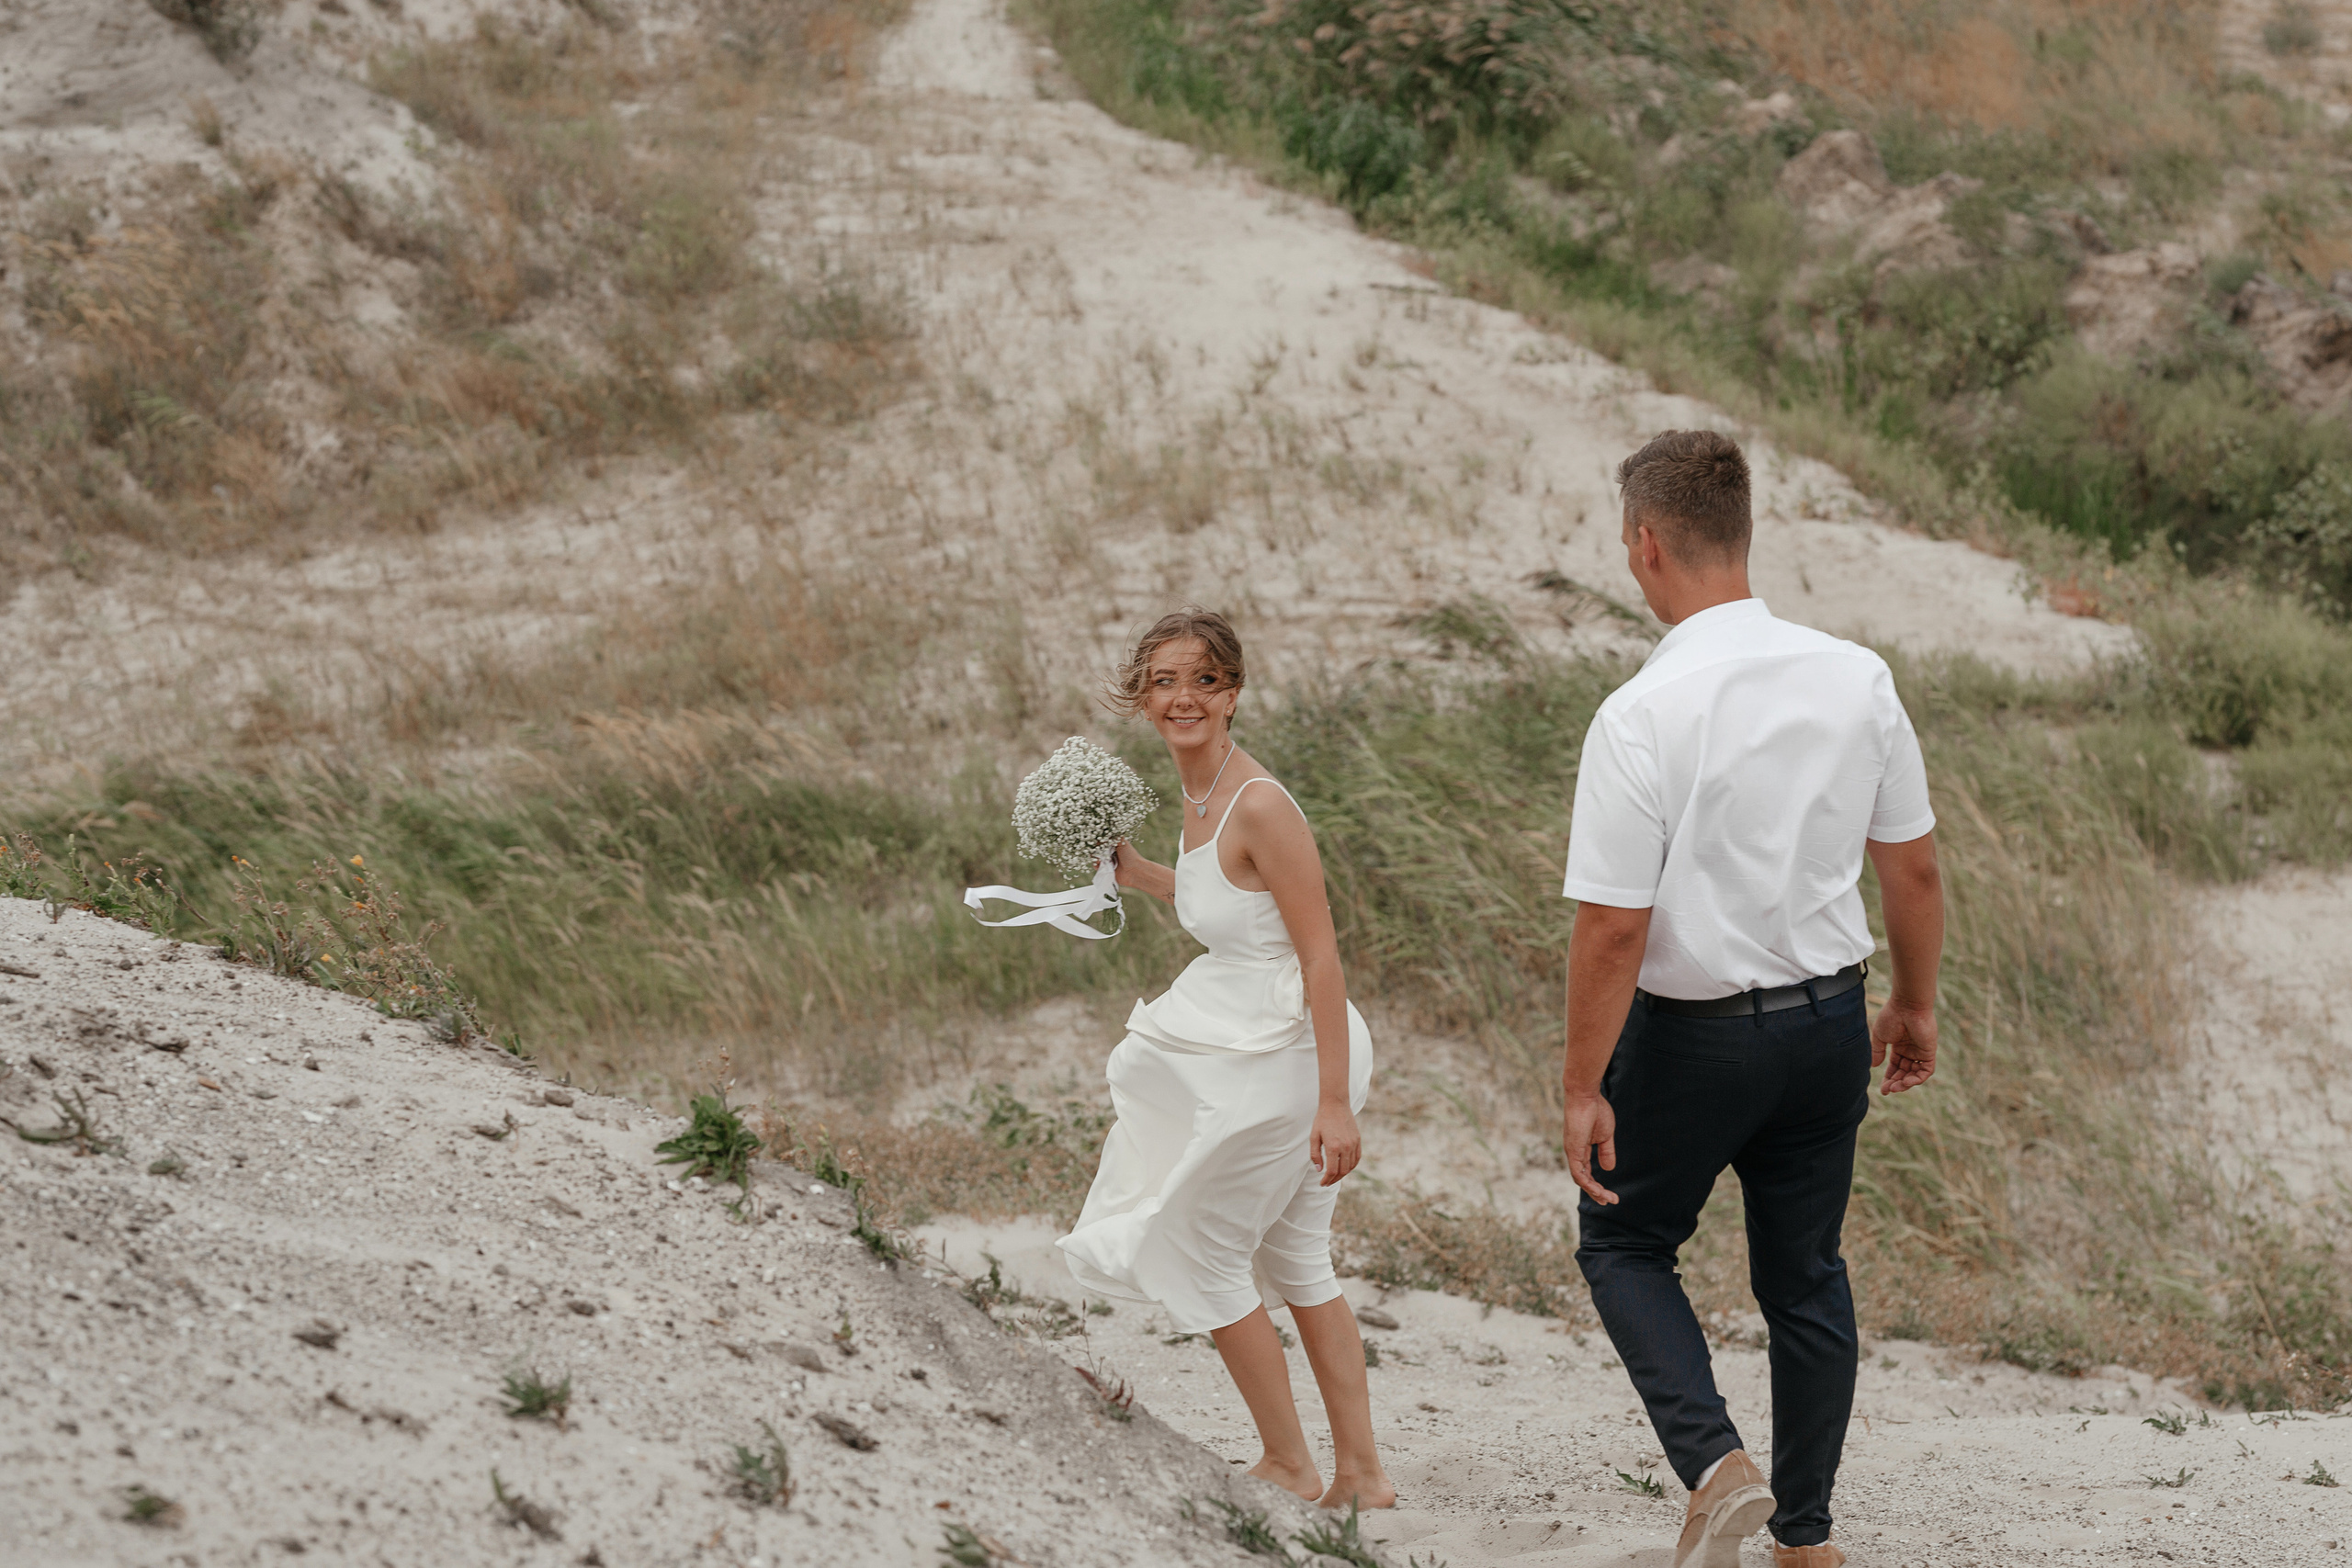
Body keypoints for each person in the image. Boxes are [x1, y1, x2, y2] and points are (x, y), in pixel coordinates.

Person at [1558, 431, 1946, 1568]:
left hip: (1692, 1041)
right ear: (1739, 534)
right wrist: (1914, 1008)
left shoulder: (1641, 711)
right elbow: (1911, 867)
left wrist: (1582, 1081)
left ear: (1643, 546)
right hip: (1830, 1024)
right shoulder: (1854, 674)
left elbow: (1613, 927)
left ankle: (1719, 1470)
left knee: (1623, 1245)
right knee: (1805, 1275)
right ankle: (1806, 1539)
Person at [1057, 607, 1394, 1512]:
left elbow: (1320, 953)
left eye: (1202, 681)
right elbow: (1233, 909)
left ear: (1233, 692)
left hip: (1292, 1045)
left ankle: (1289, 1462)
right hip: (1257, 1032)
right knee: (1293, 1259)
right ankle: (1361, 1476)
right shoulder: (1198, 796)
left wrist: (1334, 1104)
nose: (1182, 699)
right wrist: (1142, 874)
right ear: (1140, 697)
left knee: (1205, 1252)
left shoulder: (1259, 803)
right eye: (1163, 681)